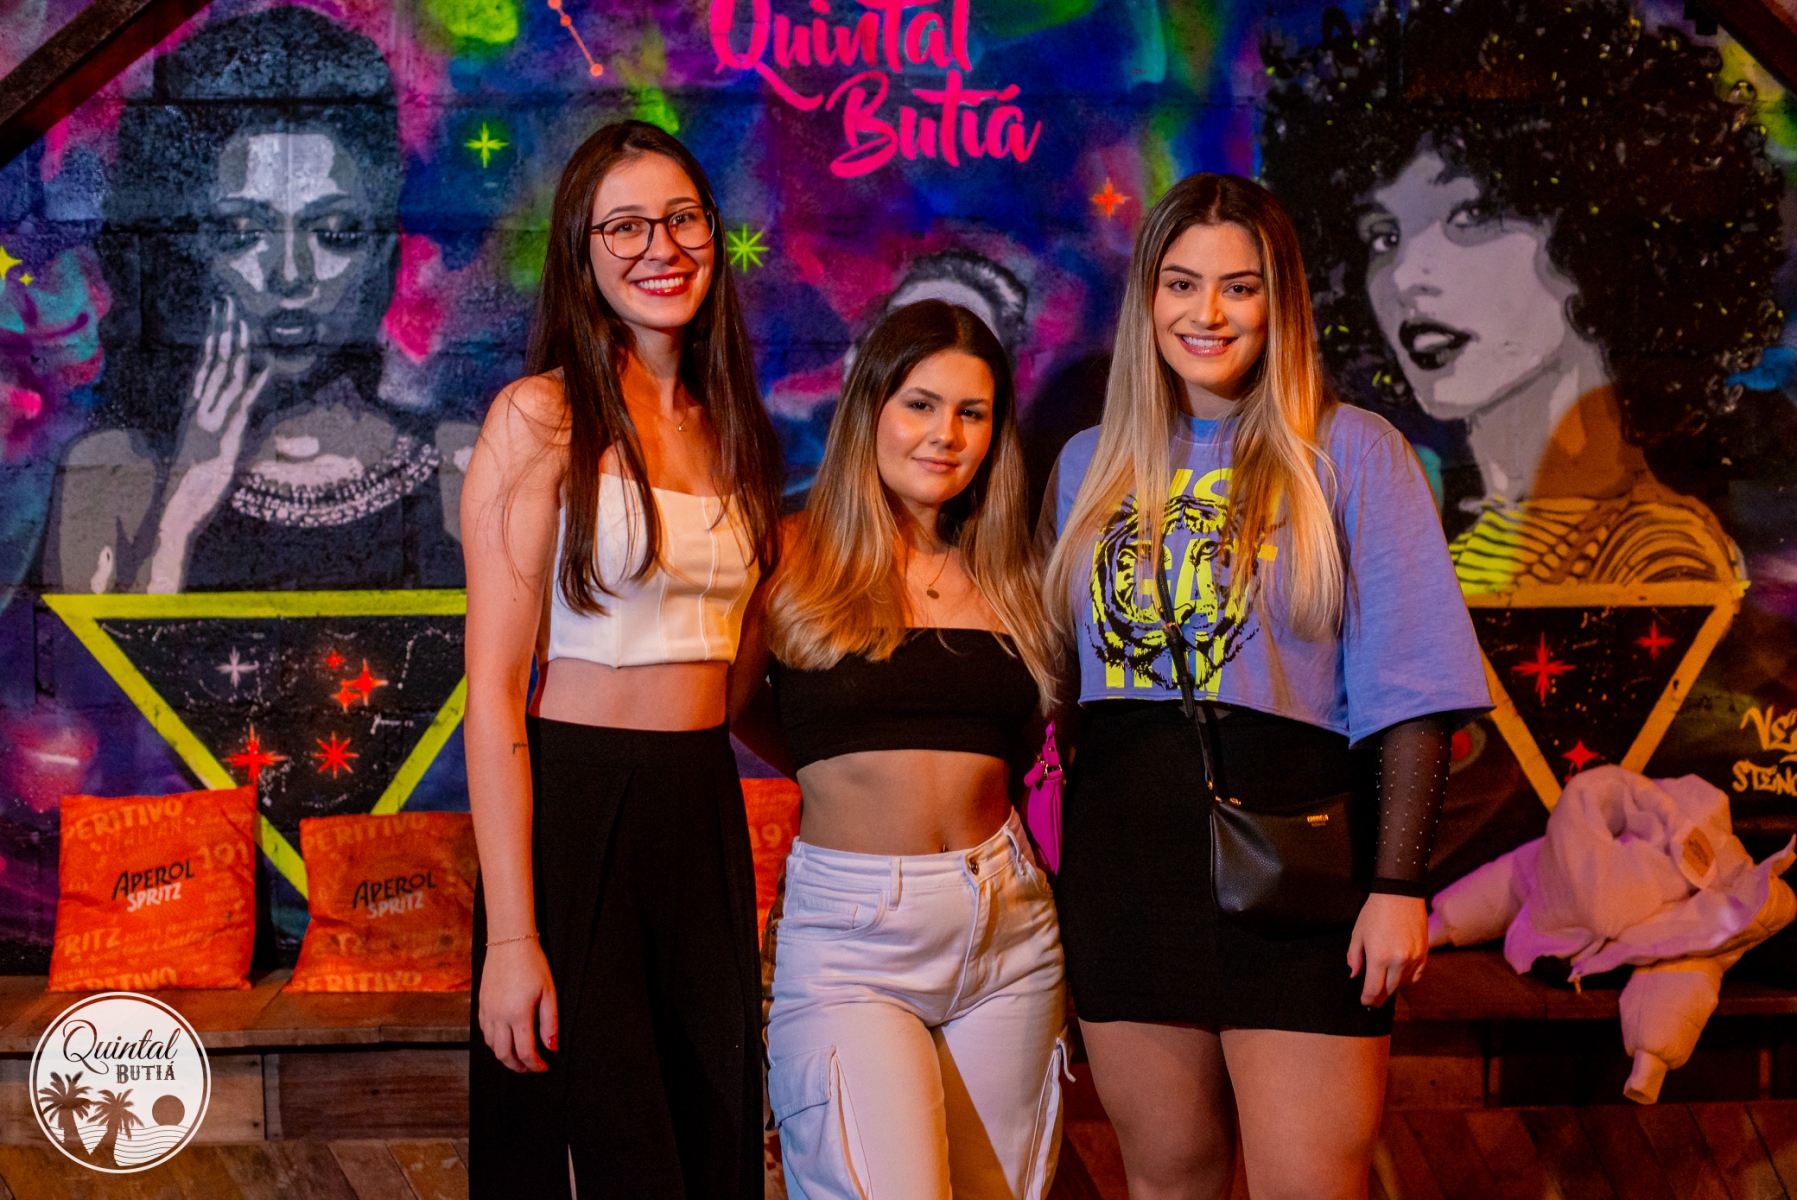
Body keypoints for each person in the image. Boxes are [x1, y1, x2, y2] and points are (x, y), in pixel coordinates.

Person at [1039, 174, 1490, 1199]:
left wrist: (1398, 888)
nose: (1207, 313)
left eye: (1238, 287)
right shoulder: (1086, 464)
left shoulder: (1354, 451)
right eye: (1181, 283)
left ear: (1278, 301)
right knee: (1167, 1184)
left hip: (1298, 880)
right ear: (1147, 298)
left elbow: (1413, 692)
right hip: (1126, 879)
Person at [459, 120, 784, 1197]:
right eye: (626, 226)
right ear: (582, 251)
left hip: (703, 813)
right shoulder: (539, 417)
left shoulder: (733, 427)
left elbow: (740, 671)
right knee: (614, 1163)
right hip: (578, 811)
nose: (661, 247)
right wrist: (514, 940)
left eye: (682, 219)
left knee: (712, 1153)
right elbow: (493, 698)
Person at [1258, 0, 1782, 592]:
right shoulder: (1454, 550)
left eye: (1471, 215)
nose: (1404, 276)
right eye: (1384, 237)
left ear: (1590, 237)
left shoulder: (1657, 557)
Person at [745, 299, 1066, 1198]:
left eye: (972, 413)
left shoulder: (1015, 573)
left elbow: (1029, 747)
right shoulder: (788, 554)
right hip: (850, 940)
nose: (945, 435)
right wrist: (833, 764)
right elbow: (727, 710)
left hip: (1008, 931)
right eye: (920, 404)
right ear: (870, 409)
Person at [47, 5, 476, 594]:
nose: (291, 275)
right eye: (244, 233)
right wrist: (181, 509)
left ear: (378, 246)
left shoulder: (461, 468)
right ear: (193, 247)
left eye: (333, 233)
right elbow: (95, 656)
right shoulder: (114, 473)